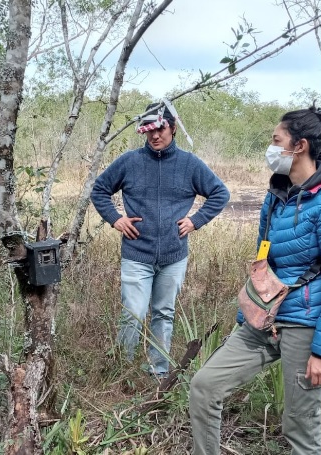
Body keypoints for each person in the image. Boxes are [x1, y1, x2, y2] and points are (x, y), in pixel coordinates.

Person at [189, 106, 321, 454]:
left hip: (305, 326)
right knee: (204, 387)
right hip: (264, 320)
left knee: (300, 423)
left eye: (276, 140)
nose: (270, 147)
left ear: (298, 146)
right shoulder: (277, 195)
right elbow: (262, 260)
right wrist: (248, 315)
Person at [91, 102, 229, 378]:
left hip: (174, 255)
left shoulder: (189, 164)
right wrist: (115, 218)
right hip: (136, 253)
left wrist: (195, 220)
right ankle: (123, 371)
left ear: (173, 127)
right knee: (133, 313)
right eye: (149, 131)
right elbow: (99, 190)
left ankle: (159, 372)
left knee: (163, 313)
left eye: (161, 129)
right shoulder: (129, 161)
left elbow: (220, 194)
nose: (155, 136)